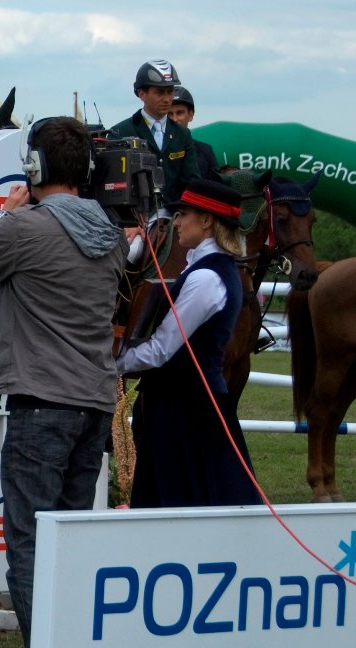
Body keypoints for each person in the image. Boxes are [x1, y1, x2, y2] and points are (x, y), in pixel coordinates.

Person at [0, 117, 128, 647]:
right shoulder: (112, 233)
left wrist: (13, 209)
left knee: (28, 543)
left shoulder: (23, 225)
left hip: (42, 402)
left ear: (34, 168)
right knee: (71, 540)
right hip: (95, 401)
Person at [115, 179, 263, 508]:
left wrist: (110, 364)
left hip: (186, 413)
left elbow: (161, 349)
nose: (177, 222)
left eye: (183, 214)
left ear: (207, 221)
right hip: (184, 406)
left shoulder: (206, 277)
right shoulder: (207, 269)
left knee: (181, 504)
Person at [109, 59, 200, 205]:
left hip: (174, 219)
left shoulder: (183, 135)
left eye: (170, 92)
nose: (167, 99)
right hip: (135, 221)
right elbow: (114, 187)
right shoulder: (119, 133)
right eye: (160, 92)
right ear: (141, 94)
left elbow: (191, 183)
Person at [169, 85, 220, 181]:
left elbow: (216, 188)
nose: (175, 119)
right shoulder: (154, 151)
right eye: (169, 114)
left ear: (190, 115)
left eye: (179, 113)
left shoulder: (205, 152)